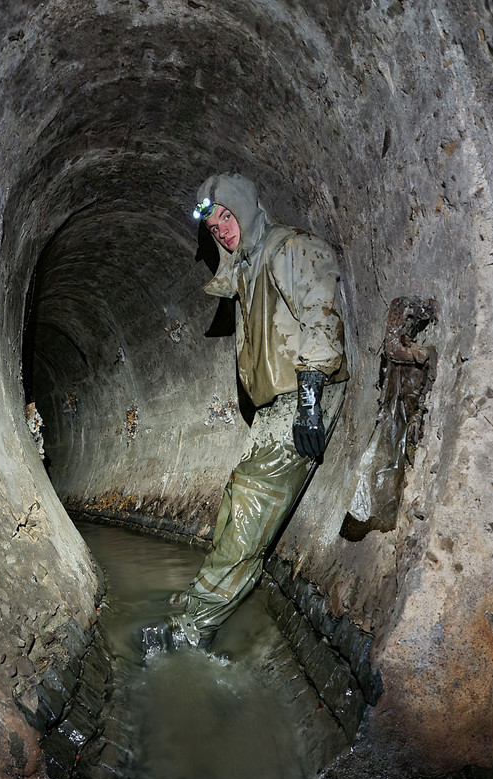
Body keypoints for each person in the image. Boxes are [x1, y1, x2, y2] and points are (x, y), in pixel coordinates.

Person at [143, 173, 348, 652]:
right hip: (276, 409)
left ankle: (194, 630)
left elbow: (321, 310)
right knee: (238, 499)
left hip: (303, 394)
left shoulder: (287, 247)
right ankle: (199, 603)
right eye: (214, 227)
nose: (221, 230)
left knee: (252, 504)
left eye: (226, 217)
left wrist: (311, 400)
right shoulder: (248, 267)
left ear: (243, 208)